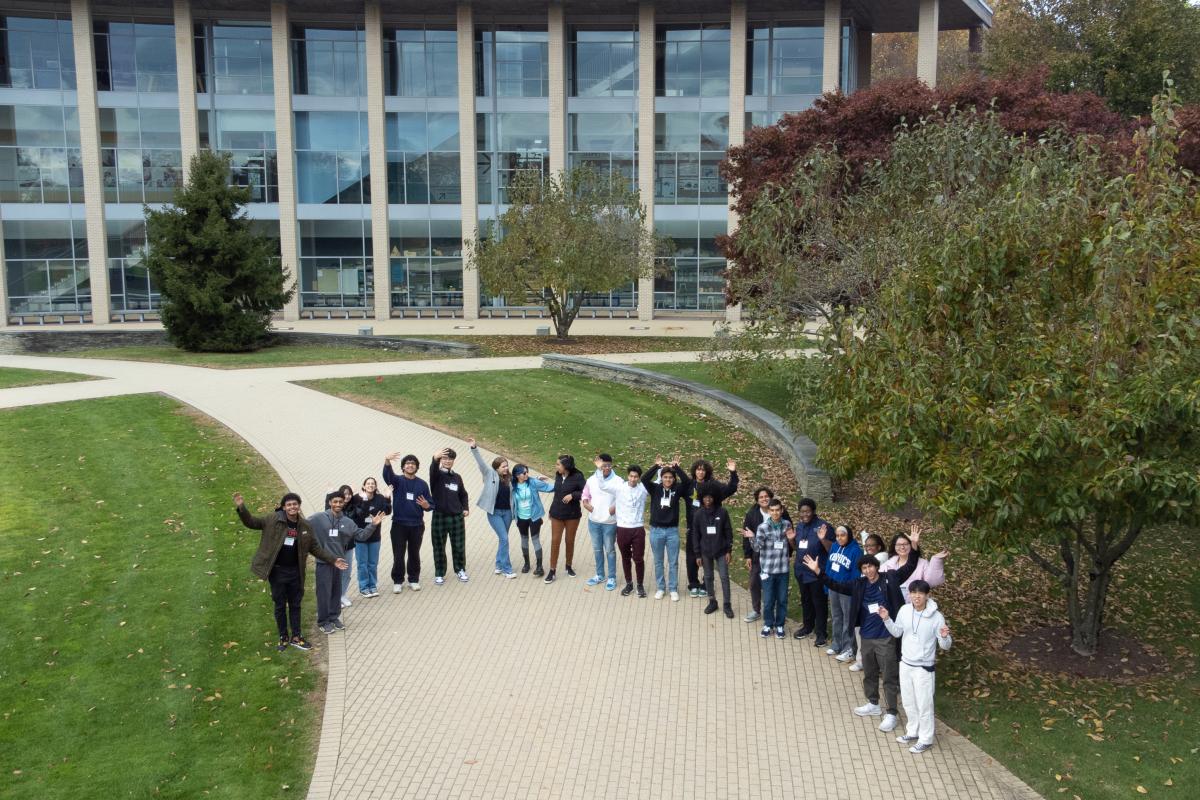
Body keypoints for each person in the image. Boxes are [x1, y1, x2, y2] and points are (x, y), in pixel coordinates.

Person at [802, 539, 922, 735]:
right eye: (864, 568)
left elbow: (909, 566)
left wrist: (914, 547)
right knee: (869, 673)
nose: (868, 570)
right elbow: (836, 584)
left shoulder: (890, 578)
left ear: (877, 566)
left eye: (870, 566)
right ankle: (873, 703)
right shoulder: (858, 584)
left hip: (886, 637)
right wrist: (818, 571)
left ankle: (891, 712)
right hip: (866, 636)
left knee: (889, 677)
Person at [234, 491, 347, 652]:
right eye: (289, 505)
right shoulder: (273, 520)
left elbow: (314, 547)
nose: (292, 507)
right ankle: (283, 636)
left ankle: (296, 636)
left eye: (295, 504)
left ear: (299, 506)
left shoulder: (305, 525)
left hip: (296, 571)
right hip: (278, 572)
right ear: (283, 507)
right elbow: (252, 522)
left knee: (295, 604)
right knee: (280, 605)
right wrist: (241, 508)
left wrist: (333, 560)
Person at [881, 579, 953, 754]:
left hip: (923, 668)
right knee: (908, 701)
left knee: (924, 704)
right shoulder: (905, 610)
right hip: (905, 664)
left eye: (920, 593)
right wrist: (887, 619)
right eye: (913, 593)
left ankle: (926, 738)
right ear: (909, 594)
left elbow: (946, 645)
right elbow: (897, 632)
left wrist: (944, 637)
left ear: (927, 595)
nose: (916, 596)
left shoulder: (937, 617)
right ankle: (912, 731)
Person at [308, 494, 384, 635]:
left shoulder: (347, 522)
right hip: (324, 562)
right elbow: (303, 524)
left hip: (339, 563)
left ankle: (334, 617)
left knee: (337, 591)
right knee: (324, 593)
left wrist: (373, 525)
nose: (338, 504)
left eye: (340, 502)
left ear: (343, 503)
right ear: (330, 502)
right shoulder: (318, 518)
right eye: (335, 501)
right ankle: (323, 621)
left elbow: (361, 535)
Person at [683, 458, 738, 598]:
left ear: (706, 472)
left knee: (708, 557)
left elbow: (730, 489)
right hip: (694, 528)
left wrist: (733, 473)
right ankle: (693, 584)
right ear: (694, 471)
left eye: (703, 470)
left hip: (712, 528)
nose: (700, 472)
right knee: (692, 557)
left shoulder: (713, 485)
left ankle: (706, 585)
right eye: (698, 469)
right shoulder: (690, 485)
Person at [741, 497, 795, 639]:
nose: (775, 513)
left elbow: (792, 545)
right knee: (769, 600)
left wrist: (791, 539)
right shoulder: (763, 527)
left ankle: (780, 625)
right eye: (772, 510)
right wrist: (752, 537)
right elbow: (757, 548)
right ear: (769, 511)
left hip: (783, 570)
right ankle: (768, 624)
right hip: (768, 570)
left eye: (778, 510)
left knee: (782, 600)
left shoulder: (787, 525)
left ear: (782, 510)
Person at [467, 437, 518, 579]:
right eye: (503, 466)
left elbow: (523, 479)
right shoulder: (489, 474)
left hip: (507, 513)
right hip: (494, 513)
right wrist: (474, 448)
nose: (506, 468)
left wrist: (538, 480)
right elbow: (480, 462)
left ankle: (498, 565)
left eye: (507, 466)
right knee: (504, 538)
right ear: (496, 468)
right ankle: (507, 569)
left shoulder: (511, 478)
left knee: (504, 539)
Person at [383, 453, 433, 593]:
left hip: (416, 525)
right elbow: (388, 476)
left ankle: (413, 579)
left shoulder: (422, 484)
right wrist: (387, 461)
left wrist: (426, 505)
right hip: (399, 524)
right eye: (407, 463)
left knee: (414, 553)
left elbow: (430, 504)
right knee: (398, 554)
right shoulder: (398, 481)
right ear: (403, 467)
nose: (410, 465)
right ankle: (398, 581)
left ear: (416, 467)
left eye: (413, 463)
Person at [642, 457, 687, 601]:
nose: (668, 480)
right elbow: (644, 479)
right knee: (658, 561)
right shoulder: (655, 489)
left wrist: (677, 468)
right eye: (665, 477)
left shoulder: (678, 489)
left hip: (672, 531)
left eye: (670, 477)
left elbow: (687, 482)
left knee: (673, 561)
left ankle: (673, 589)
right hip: (656, 531)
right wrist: (656, 466)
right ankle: (661, 588)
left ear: (674, 479)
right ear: (661, 478)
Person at [791, 498, 834, 646]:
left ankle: (821, 634)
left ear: (813, 511)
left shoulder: (823, 526)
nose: (805, 514)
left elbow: (831, 549)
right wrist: (791, 540)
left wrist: (823, 539)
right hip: (801, 572)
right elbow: (798, 548)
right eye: (802, 512)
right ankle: (807, 626)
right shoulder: (800, 526)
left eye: (808, 511)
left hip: (816, 573)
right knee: (806, 601)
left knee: (819, 603)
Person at [690, 487, 735, 619]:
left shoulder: (722, 512)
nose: (708, 500)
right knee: (708, 577)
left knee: (724, 577)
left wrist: (728, 550)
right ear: (702, 499)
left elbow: (728, 532)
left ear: (714, 498)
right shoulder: (698, 514)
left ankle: (727, 604)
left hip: (721, 550)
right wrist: (697, 554)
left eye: (710, 497)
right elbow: (695, 535)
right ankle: (712, 601)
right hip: (705, 551)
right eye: (705, 497)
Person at [582, 454, 623, 591]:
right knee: (597, 549)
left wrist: (613, 509)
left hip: (610, 523)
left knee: (610, 550)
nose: (606, 468)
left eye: (608, 465)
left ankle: (611, 577)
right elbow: (585, 496)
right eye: (603, 466)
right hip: (594, 521)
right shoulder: (591, 480)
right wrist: (586, 504)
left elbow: (622, 497)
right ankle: (600, 575)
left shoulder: (618, 481)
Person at [429, 447, 470, 584]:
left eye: (450, 459)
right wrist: (435, 459)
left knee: (459, 545)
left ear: (453, 461)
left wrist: (465, 508)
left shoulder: (457, 477)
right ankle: (439, 573)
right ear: (441, 460)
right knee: (439, 545)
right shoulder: (436, 475)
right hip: (439, 516)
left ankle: (460, 569)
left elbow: (463, 494)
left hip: (456, 517)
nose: (447, 461)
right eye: (445, 458)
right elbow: (433, 468)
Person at [849, 532, 889, 672]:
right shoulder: (867, 561)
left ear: (879, 546)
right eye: (866, 546)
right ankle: (862, 661)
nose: (869, 548)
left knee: (877, 638)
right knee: (861, 633)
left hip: (878, 606)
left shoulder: (882, 557)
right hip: (864, 603)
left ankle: (875, 665)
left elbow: (871, 560)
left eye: (872, 546)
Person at [881, 523, 948, 602]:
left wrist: (936, 560)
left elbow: (932, 582)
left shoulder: (922, 563)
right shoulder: (888, 564)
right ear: (894, 547)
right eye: (898, 545)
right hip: (893, 605)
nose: (902, 547)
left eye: (905, 544)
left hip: (916, 605)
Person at [349, 477, 391, 598]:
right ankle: (363, 587)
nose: (370, 485)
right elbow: (359, 514)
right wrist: (365, 500)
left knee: (372, 563)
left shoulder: (380, 498)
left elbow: (387, 511)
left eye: (373, 483)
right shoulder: (357, 498)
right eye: (368, 483)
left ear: (375, 486)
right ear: (364, 485)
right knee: (362, 564)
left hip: (375, 537)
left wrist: (388, 498)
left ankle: (372, 585)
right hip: (360, 537)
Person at [825, 524, 863, 661]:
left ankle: (848, 649)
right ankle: (836, 644)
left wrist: (852, 590)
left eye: (843, 535)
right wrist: (827, 585)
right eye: (837, 535)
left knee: (848, 619)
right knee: (836, 616)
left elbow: (856, 573)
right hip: (833, 587)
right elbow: (829, 566)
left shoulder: (856, 551)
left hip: (847, 591)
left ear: (849, 535)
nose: (840, 538)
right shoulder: (834, 546)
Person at [545, 454, 585, 583]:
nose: (556, 466)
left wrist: (573, 495)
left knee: (569, 540)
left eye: (558, 464)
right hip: (557, 514)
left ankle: (568, 566)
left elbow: (585, 493)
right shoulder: (558, 475)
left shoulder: (578, 476)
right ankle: (552, 570)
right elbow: (557, 494)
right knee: (555, 541)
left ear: (566, 466)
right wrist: (551, 510)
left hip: (572, 516)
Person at [614, 464, 650, 597]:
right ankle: (629, 583)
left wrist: (658, 467)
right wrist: (601, 469)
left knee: (638, 558)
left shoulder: (643, 489)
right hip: (622, 528)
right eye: (631, 476)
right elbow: (603, 485)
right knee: (625, 557)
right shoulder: (620, 487)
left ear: (639, 478)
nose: (633, 479)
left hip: (638, 528)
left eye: (636, 477)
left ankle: (640, 585)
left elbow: (658, 482)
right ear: (627, 476)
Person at [511, 464, 554, 575]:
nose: (526, 474)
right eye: (524, 473)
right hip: (521, 518)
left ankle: (539, 567)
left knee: (535, 540)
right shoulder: (512, 485)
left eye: (527, 472)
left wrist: (564, 484)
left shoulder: (533, 482)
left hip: (534, 517)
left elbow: (550, 488)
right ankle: (527, 563)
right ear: (517, 475)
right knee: (524, 539)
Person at [325, 484, 356, 608]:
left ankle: (342, 594)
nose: (347, 496)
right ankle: (334, 597)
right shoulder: (334, 509)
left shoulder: (354, 507)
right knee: (334, 573)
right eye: (345, 494)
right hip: (334, 547)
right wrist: (327, 495)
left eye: (349, 494)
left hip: (348, 547)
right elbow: (326, 511)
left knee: (346, 572)